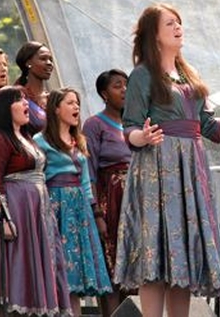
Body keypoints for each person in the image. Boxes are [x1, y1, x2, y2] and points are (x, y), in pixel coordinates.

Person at [113, 3, 220, 317]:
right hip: (158, 168)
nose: (178, 28)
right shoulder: (142, 75)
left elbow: (211, 128)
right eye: (170, 23)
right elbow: (131, 128)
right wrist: (144, 137)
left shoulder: (189, 75)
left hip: (192, 167)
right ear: (154, 35)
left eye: (179, 22)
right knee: (155, 256)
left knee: (182, 260)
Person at [0, 86, 71, 316]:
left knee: (41, 262)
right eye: (19, 100)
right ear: (5, 109)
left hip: (36, 212)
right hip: (15, 214)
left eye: (26, 99)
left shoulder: (25, 138)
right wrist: (4, 217)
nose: (26, 104)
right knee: (17, 267)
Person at [34, 88, 113, 316]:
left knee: (75, 274)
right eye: (70, 103)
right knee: (58, 269)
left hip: (79, 209)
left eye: (77, 103)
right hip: (56, 207)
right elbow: (38, 178)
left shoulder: (80, 141)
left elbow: (87, 181)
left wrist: (94, 212)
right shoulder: (40, 141)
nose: (76, 107)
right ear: (56, 109)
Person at [83, 69, 132, 316]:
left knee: (136, 268)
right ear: (104, 93)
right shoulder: (94, 125)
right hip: (110, 202)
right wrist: (97, 212)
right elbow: (88, 171)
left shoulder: (138, 122)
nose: (124, 89)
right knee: (112, 265)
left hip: (136, 202)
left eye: (126, 84)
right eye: (117, 85)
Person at [14, 41, 54, 135]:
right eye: (43, 58)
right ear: (28, 63)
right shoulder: (17, 97)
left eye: (51, 60)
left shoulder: (52, 99)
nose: (49, 63)